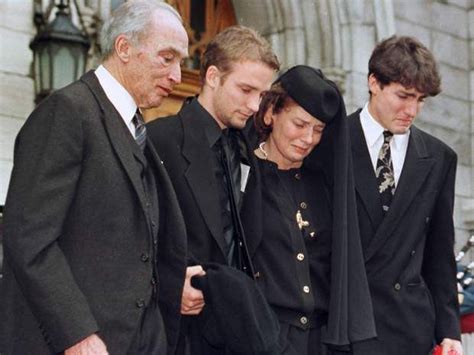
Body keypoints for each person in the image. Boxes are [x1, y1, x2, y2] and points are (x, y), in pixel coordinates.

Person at [0, 1, 188, 354]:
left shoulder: (136, 128)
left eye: (182, 62)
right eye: (167, 58)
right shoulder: (67, 112)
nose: (178, 76)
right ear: (124, 48)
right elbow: (28, 236)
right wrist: (77, 334)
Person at [147, 25, 280, 354]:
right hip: (179, 332)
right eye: (246, 89)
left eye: (261, 95)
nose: (254, 105)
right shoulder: (158, 140)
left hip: (235, 330)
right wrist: (168, 286)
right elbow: (131, 235)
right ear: (212, 77)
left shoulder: (246, 148)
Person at [247, 65, 376, 354]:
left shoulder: (325, 185)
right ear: (270, 114)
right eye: (300, 124)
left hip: (320, 341)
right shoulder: (242, 175)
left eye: (318, 129)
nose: (308, 139)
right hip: (263, 337)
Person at [348, 35, 462, 355]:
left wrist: (449, 329)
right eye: (403, 96)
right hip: (346, 326)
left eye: (420, 100)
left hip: (410, 329)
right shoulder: (333, 143)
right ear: (374, 82)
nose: (412, 110)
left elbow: (440, 252)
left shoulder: (439, 158)